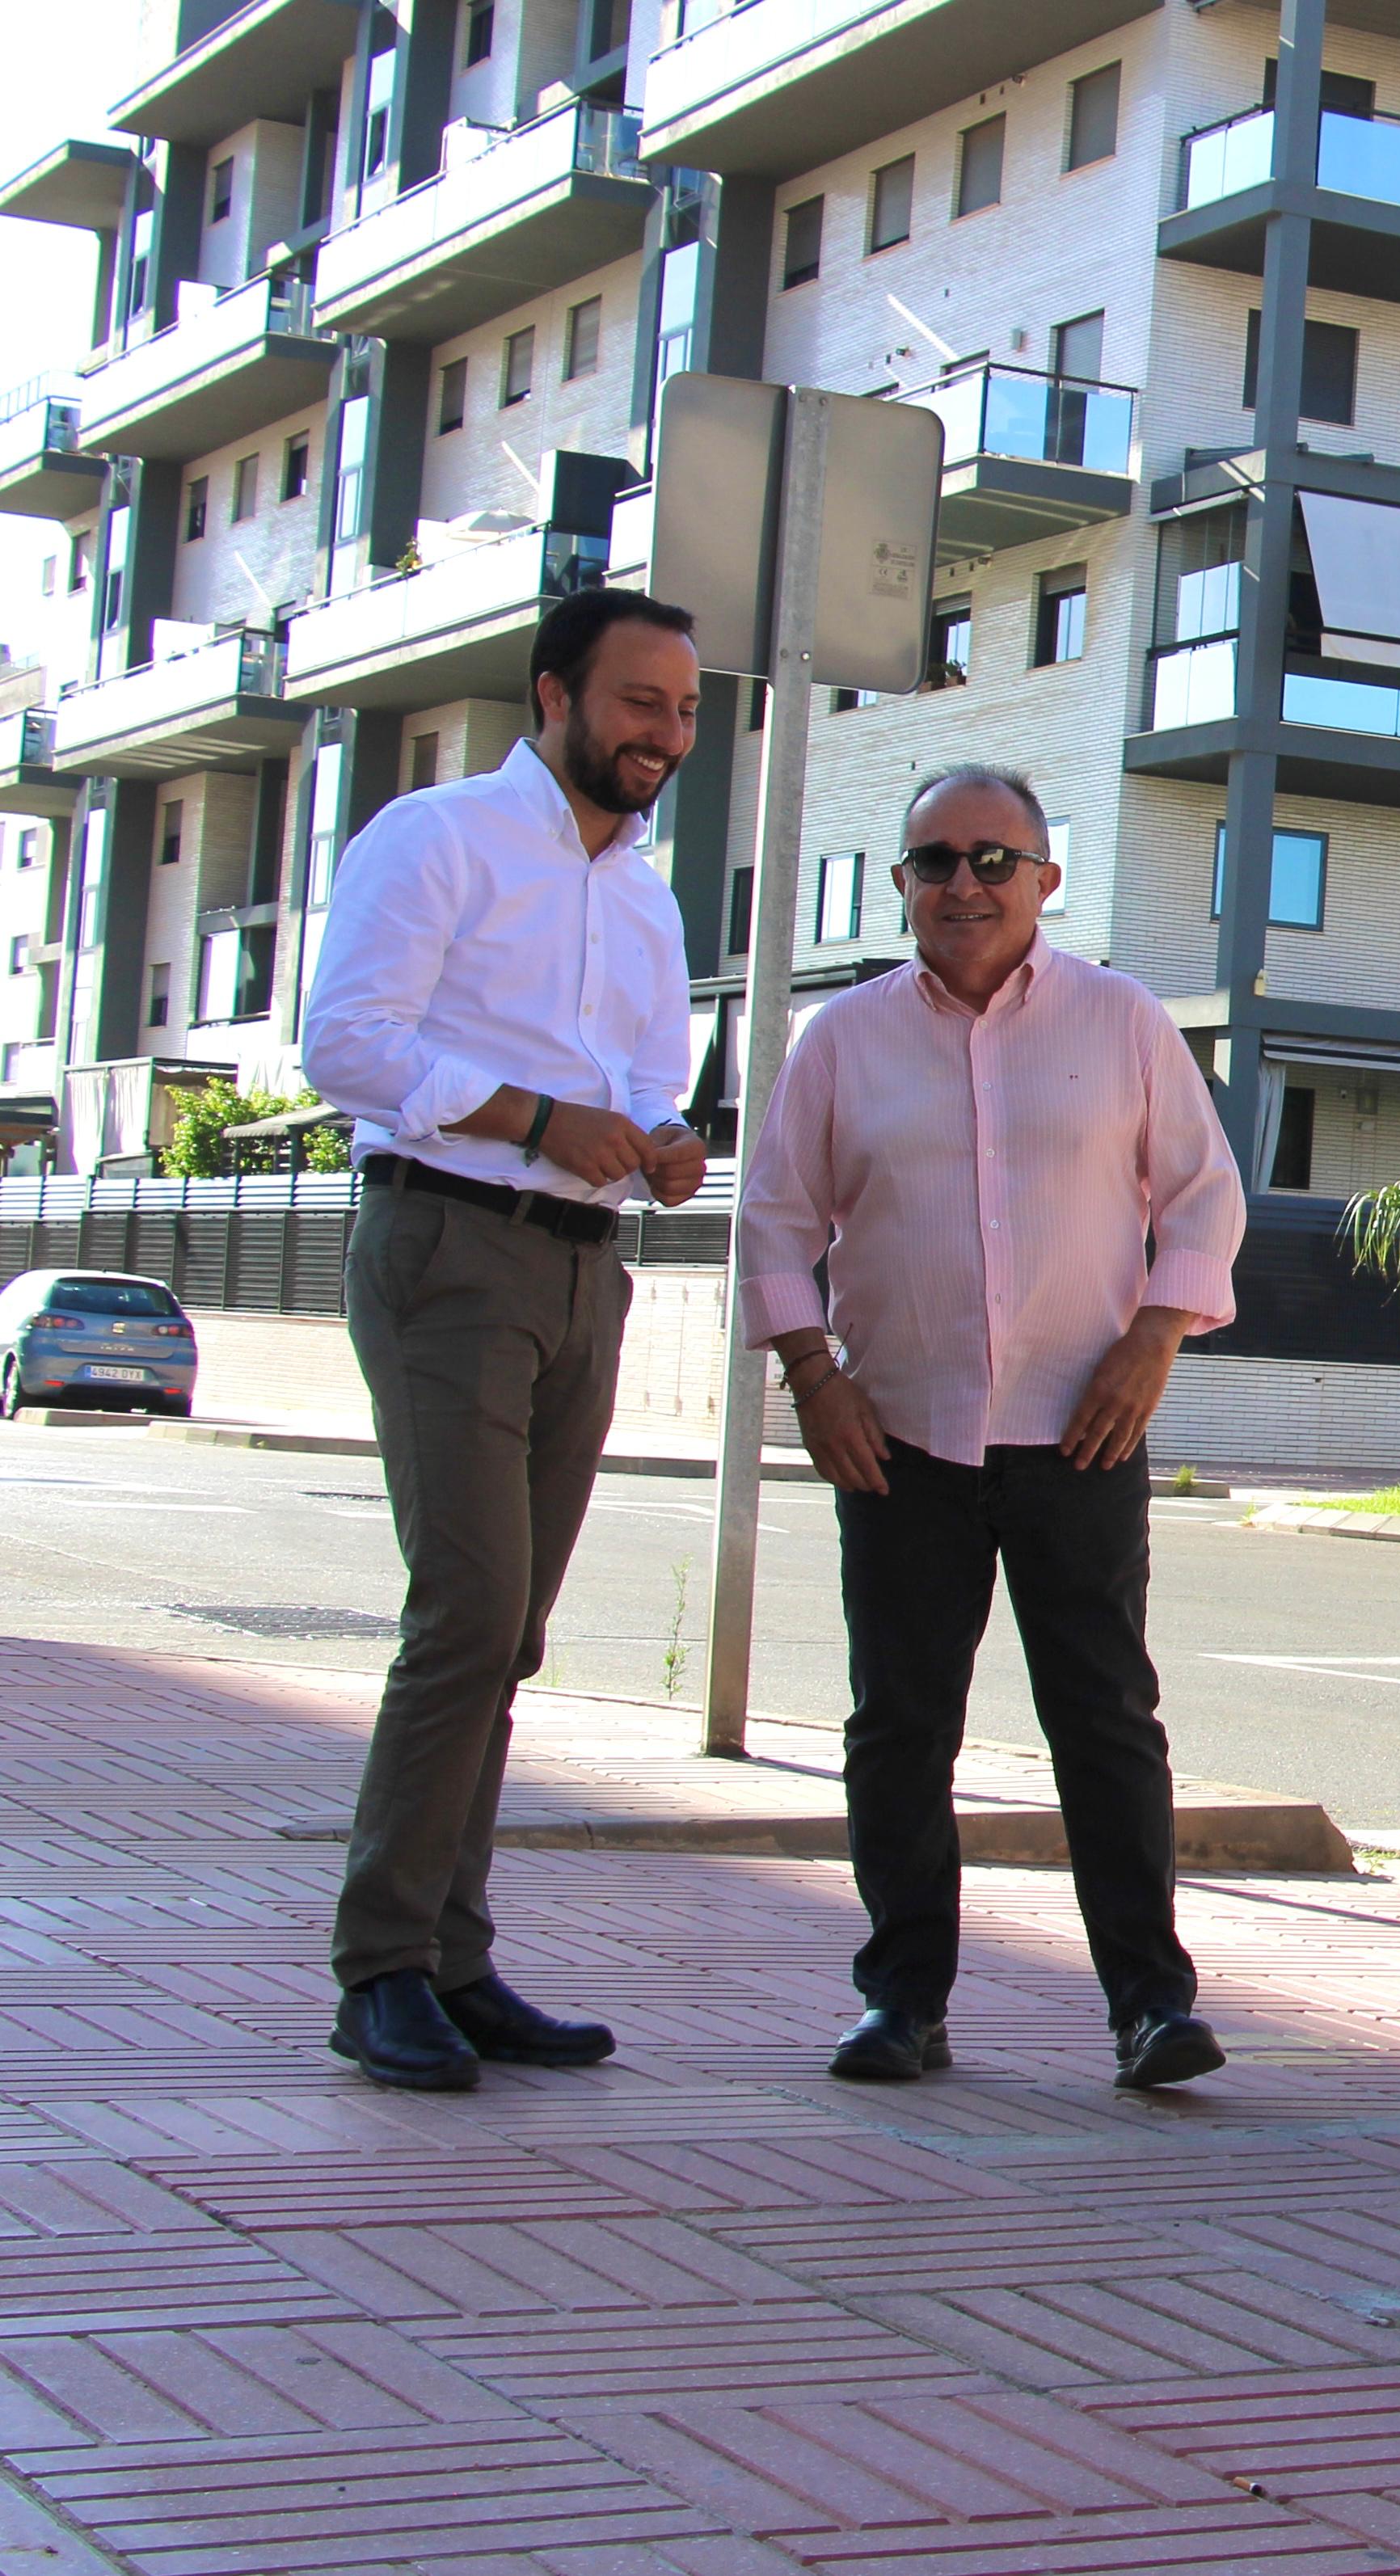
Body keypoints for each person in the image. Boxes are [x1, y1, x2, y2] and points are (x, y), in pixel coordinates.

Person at [735, 763, 1246, 2091]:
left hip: (1077, 1432)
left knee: (1105, 1719)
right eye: (934, 862)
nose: (962, 884)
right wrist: (811, 1373)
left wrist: (1151, 1339)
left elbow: (1201, 1201)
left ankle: (1150, 2006)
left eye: (991, 861)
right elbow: (777, 1220)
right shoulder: (840, 1038)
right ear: (901, 883)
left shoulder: (1125, 1023)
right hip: (894, 1431)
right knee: (899, 1726)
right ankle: (901, 2002)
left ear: (1045, 880)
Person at [300, 587, 711, 2093]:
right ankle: (382, 1967)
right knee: (468, 1612)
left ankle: (456, 1962)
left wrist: (662, 1144)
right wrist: (542, 1119)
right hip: (445, 1244)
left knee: (512, 1633)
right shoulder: (440, 837)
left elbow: (646, 1079)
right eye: (636, 702)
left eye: (680, 709)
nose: (663, 732)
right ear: (556, 696)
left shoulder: (649, 894)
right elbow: (346, 1043)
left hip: (583, 1271)